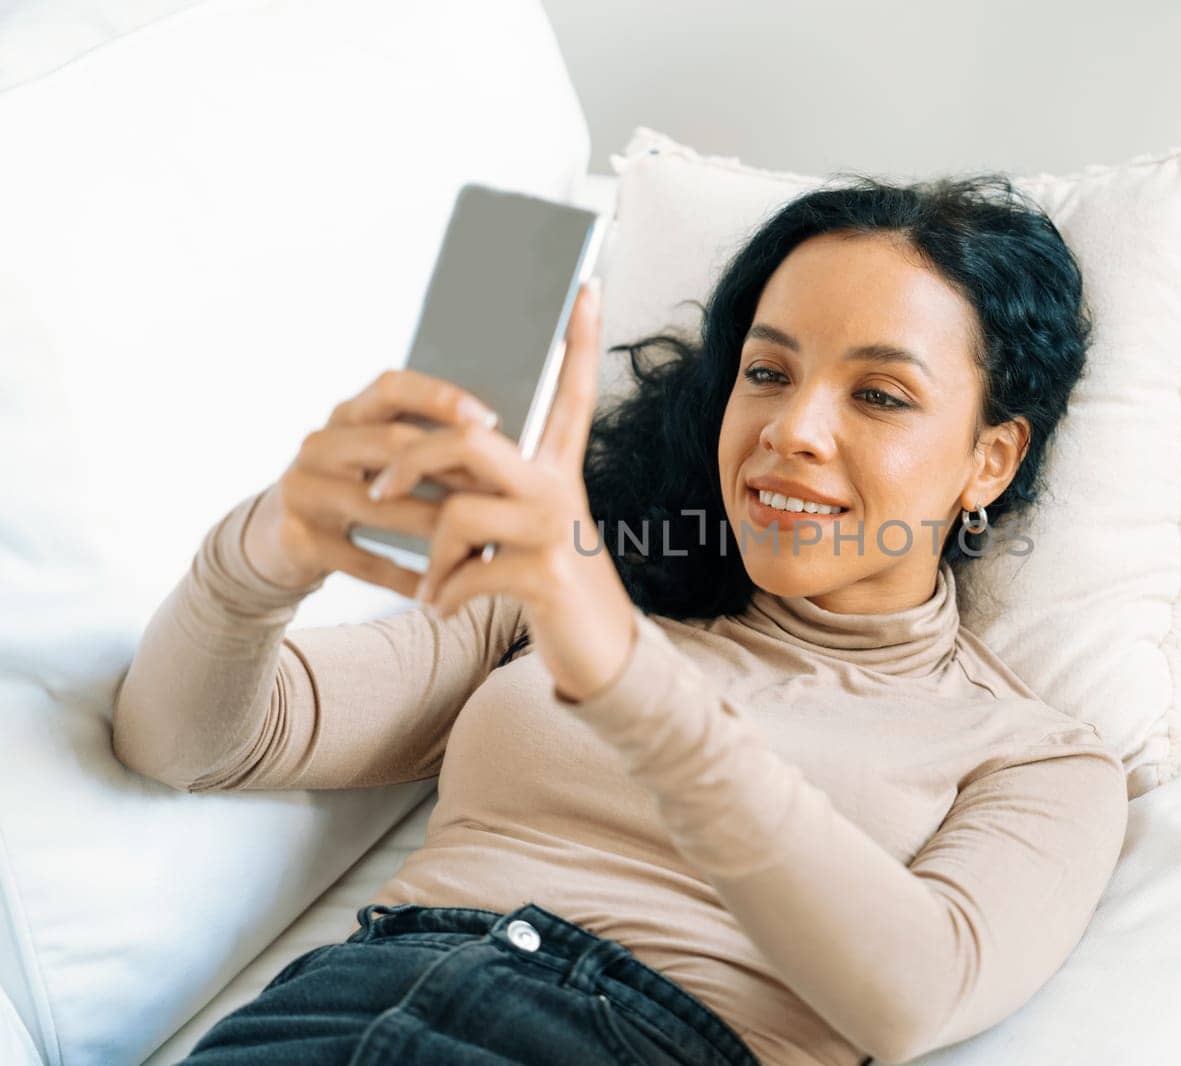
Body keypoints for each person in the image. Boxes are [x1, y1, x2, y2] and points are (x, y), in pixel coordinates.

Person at [111, 173, 1128, 1066]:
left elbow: (915, 994)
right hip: (329, 1013)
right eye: (766, 372)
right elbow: (186, 743)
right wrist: (264, 554)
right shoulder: (563, 583)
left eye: (880, 394)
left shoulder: (1036, 759)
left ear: (988, 459)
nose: (790, 429)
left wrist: (629, 682)